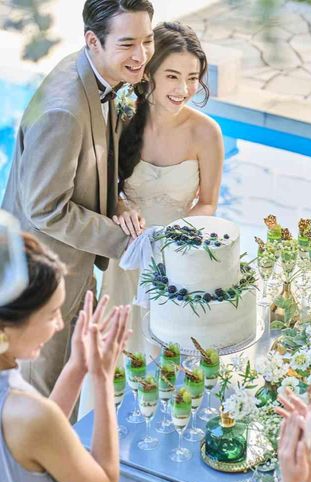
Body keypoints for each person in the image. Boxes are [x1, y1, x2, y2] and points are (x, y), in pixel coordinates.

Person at [1, 0, 154, 398]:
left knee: (69, 387)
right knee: (42, 396)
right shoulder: (63, 111)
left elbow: (92, 162)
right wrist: (126, 242)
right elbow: (45, 208)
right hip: (42, 281)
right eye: (127, 44)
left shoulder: (98, 72)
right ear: (93, 41)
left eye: (147, 40)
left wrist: (118, 202)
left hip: (76, 264)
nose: (141, 56)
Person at [103, 21, 223, 353]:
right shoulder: (121, 118)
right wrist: (120, 206)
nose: (184, 89)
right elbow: (105, 186)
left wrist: (170, 238)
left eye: (192, 78)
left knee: (168, 351)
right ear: (148, 73)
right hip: (127, 253)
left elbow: (208, 203)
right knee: (118, 348)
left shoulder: (206, 133)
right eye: (172, 76)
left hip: (176, 256)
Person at [0, 233, 131, 482]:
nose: (60, 324)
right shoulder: (32, 415)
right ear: (8, 326)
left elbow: (36, 438)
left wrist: (77, 366)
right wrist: (102, 378)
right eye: (51, 315)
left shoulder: (25, 412)